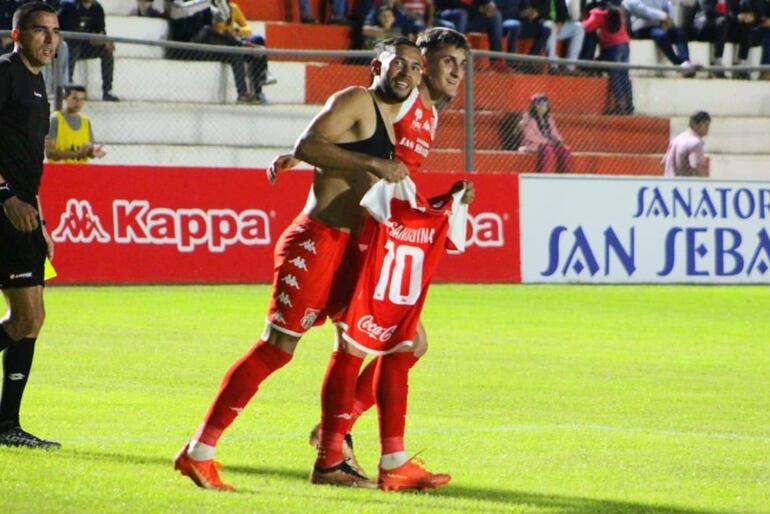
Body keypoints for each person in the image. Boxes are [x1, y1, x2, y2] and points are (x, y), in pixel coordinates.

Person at [173, 37, 420, 491]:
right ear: (376, 65)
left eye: (414, 67)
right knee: (276, 348)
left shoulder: (395, 114)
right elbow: (309, 144)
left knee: (376, 343)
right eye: (398, 62)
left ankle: (331, 457)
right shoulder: (356, 99)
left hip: (354, 249)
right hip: (318, 241)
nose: (406, 72)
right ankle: (199, 451)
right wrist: (371, 163)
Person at [312, 175, 474, 492]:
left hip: (383, 240)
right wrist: (381, 169)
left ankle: (352, 440)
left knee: (411, 343)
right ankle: (334, 450)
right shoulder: (375, 144)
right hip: (357, 246)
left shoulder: (395, 164)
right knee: (345, 347)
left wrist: (448, 202)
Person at [0, 1, 61, 450]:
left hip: (25, 215)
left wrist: (41, 219)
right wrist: (6, 197)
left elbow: (31, 161)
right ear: (18, 35)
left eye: (54, 32)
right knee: (26, 317)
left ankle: (8, 426)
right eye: (39, 30)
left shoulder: (41, 87)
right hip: (4, 210)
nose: (49, 39)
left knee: (31, 318)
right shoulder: (4, 72)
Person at [58, 0, 119, 101]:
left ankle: (107, 91)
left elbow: (101, 30)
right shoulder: (69, 6)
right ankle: (67, 87)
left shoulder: (97, 8)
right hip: (66, 47)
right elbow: (59, 28)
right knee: (74, 47)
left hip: (87, 46)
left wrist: (104, 40)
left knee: (107, 51)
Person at [582, 0, 634, 114]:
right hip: (625, 45)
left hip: (612, 47)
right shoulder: (617, 11)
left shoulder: (598, 14)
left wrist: (586, 17)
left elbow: (587, 27)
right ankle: (629, 106)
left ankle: (620, 106)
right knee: (624, 75)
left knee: (615, 76)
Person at [623, 0, 696, 75]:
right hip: (642, 28)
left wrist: (668, 19)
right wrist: (662, 16)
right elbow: (636, 8)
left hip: (659, 25)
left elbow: (667, 6)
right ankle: (677, 64)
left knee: (679, 33)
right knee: (660, 35)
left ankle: (685, 61)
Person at [45, 84, 106, 163]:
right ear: (66, 98)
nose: (78, 102)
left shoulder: (86, 121)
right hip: (59, 171)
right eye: (75, 98)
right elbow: (50, 153)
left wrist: (93, 153)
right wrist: (77, 154)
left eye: (82, 99)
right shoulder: (55, 119)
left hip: (80, 171)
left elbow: (87, 152)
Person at [519, 93, 573, 173]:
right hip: (534, 145)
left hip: (550, 143)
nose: (542, 107)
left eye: (544, 105)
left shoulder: (549, 119)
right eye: (538, 105)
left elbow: (555, 132)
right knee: (547, 149)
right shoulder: (529, 119)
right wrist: (546, 141)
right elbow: (529, 136)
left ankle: (564, 175)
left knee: (565, 150)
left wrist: (558, 140)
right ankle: (544, 174)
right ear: (533, 106)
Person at [497, 0, 553, 72]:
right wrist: (519, 14)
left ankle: (529, 61)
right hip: (502, 23)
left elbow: (525, 9)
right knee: (515, 25)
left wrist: (529, 13)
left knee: (546, 30)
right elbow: (496, 11)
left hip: (520, 24)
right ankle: (511, 63)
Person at [543, 0, 586, 73]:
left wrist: (560, 22)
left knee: (579, 27)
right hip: (544, 25)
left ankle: (570, 66)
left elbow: (564, 12)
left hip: (558, 26)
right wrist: (554, 22)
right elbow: (539, 11)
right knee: (550, 26)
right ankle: (553, 66)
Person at [662, 110, 710, 177]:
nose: (707, 128)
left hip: (669, 183)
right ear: (695, 124)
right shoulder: (696, 142)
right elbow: (697, 167)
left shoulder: (676, 139)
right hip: (685, 185)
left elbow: (664, 163)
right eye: (706, 125)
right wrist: (708, 183)